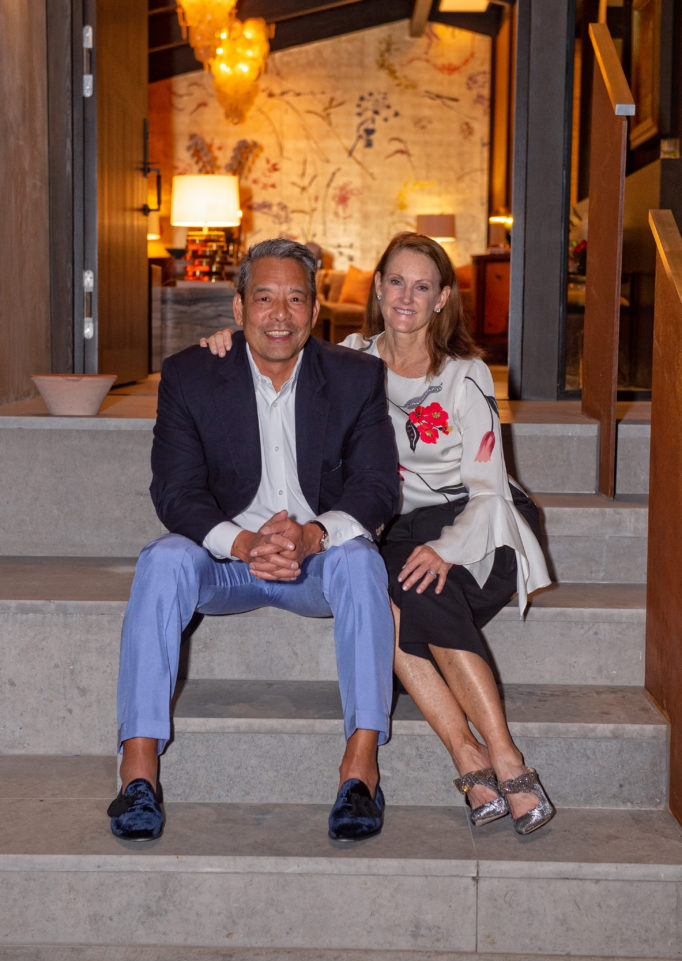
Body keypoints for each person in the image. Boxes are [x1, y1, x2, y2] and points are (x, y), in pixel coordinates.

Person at [202, 232, 555, 836]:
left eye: (423, 286)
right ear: (377, 288)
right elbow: (277, 343)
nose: (407, 298)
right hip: (395, 525)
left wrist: (445, 548)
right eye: (396, 282)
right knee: (382, 597)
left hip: (480, 521)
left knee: (420, 587)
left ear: (443, 297)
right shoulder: (347, 356)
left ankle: (499, 757)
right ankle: (469, 755)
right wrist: (231, 341)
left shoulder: (466, 376)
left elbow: (490, 488)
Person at [108, 238, 400, 844]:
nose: (280, 314)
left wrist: (315, 535)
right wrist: (241, 544)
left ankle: (360, 766)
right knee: (162, 560)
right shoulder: (192, 374)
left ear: (314, 313)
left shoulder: (356, 377)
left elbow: (375, 488)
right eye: (264, 297)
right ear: (238, 309)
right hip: (226, 560)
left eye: (295, 299)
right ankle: (138, 770)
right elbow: (176, 492)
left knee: (363, 562)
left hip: (315, 563)